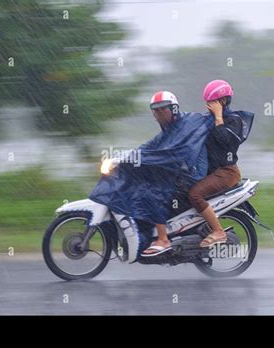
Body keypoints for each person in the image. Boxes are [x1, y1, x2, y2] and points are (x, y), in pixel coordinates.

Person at [90, 90, 213, 262]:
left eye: (163, 109)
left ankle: (163, 239)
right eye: (155, 110)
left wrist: (139, 160)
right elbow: (147, 148)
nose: (159, 114)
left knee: (152, 191)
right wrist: (121, 158)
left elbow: (173, 153)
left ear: (174, 109)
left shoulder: (185, 126)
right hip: (178, 173)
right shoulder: (168, 131)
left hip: (192, 175)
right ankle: (146, 232)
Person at [188, 80, 244, 247]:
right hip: (211, 172)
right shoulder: (208, 121)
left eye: (212, 102)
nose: (209, 106)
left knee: (195, 195)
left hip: (227, 172)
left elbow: (227, 143)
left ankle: (219, 231)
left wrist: (219, 117)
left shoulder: (234, 120)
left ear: (223, 101)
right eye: (207, 102)